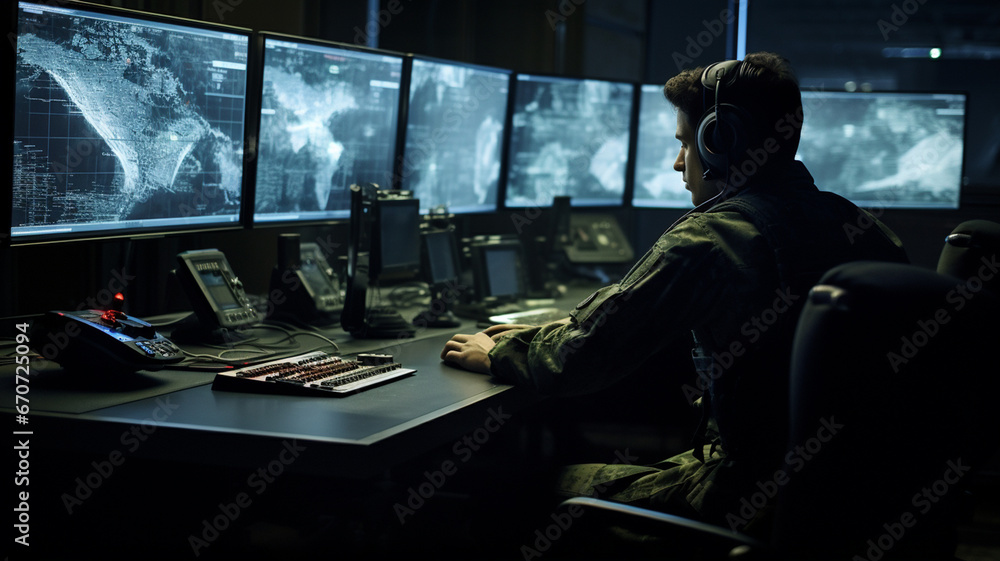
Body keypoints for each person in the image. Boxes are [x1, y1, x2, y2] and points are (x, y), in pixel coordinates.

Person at [440, 52, 909, 538]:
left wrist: (499, 353)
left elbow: (580, 358)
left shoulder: (712, 239)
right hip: (853, 496)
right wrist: (541, 332)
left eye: (686, 142)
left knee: (527, 486)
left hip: (742, 493)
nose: (678, 162)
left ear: (721, 140)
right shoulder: (867, 230)